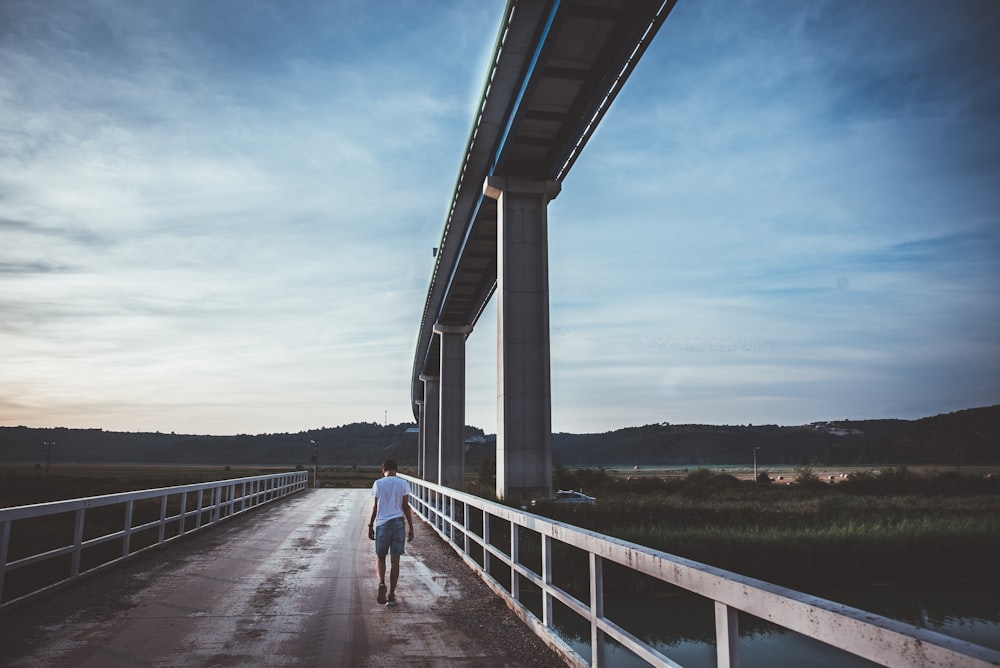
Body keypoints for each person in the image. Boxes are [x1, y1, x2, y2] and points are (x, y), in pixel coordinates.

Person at [368, 459, 414, 606]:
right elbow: (406, 507)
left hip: (382, 524)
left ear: (383, 470)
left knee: (381, 557)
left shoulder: (378, 483)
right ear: (396, 470)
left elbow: (375, 507)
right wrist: (411, 528)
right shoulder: (403, 483)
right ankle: (392, 595)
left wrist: (370, 525)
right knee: (395, 562)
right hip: (399, 524)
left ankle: (381, 582)